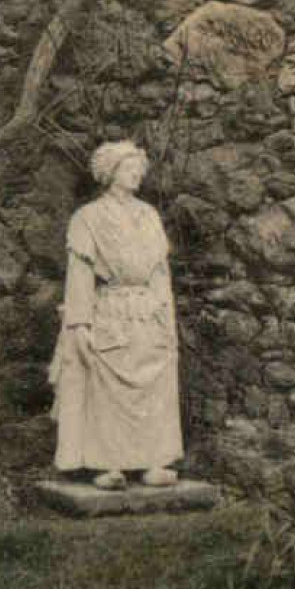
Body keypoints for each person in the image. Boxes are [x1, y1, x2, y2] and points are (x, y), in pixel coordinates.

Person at [50, 141, 183, 490]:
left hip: (147, 309)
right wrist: (79, 323)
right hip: (110, 309)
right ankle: (106, 464)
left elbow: (159, 273)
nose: (136, 173)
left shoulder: (149, 216)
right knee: (107, 385)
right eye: (128, 168)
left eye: (138, 167)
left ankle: (153, 460)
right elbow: (79, 276)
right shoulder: (88, 218)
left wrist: (166, 316)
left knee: (154, 385)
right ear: (110, 173)